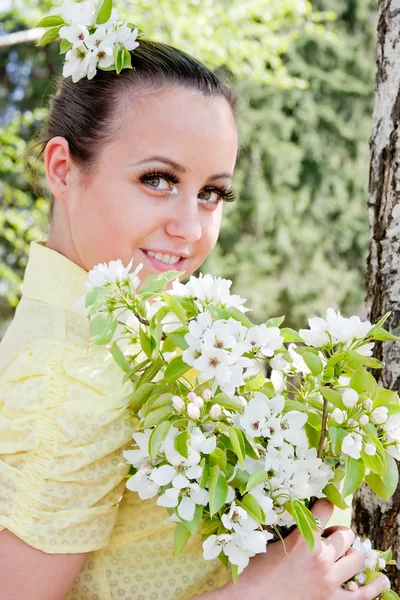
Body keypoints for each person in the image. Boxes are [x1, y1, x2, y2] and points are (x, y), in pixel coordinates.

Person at [0, 28, 390, 600]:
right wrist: (264, 592)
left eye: (212, 193)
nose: (190, 228)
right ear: (62, 168)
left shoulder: (130, 335)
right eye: (157, 180)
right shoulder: (70, 380)